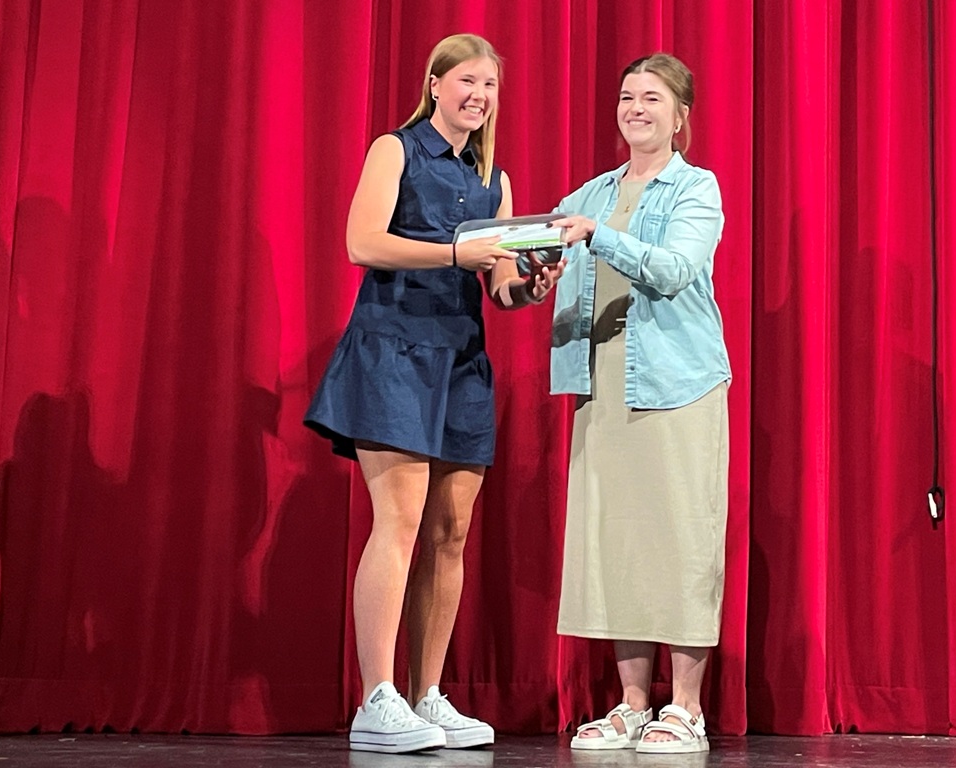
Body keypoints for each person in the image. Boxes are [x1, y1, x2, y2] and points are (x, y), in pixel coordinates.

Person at [304, 33, 562, 754]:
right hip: (392, 351)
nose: (479, 96)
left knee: (450, 532)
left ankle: (427, 696)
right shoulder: (396, 149)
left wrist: (530, 285)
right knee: (401, 520)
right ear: (436, 84)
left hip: (462, 362)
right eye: (467, 82)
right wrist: (454, 251)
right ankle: (376, 700)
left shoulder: (495, 181)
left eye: (489, 86)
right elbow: (362, 242)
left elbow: (501, 287)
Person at [548, 53, 730, 755]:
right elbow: (552, 268)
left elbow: (677, 269)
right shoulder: (590, 193)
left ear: (680, 116)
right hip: (603, 386)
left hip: (678, 383)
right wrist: (530, 267)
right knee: (617, 541)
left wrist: (598, 236)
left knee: (681, 538)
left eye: (652, 97)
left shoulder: (696, 188)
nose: (636, 108)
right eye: (628, 96)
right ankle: (630, 704)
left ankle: (685, 707)